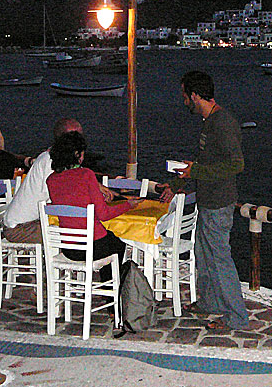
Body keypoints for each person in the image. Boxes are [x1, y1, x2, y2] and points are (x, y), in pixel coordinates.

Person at [158, 70, 249, 330]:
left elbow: (236, 164)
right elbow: (202, 162)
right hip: (207, 201)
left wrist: (195, 171)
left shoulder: (223, 123)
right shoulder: (209, 122)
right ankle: (210, 302)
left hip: (219, 204)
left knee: (220, 259)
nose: (184, 101)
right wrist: (178, 183)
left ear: (196, 96)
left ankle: (237, 317)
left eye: (186, 96)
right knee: (203, 253)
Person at [2, 118, 116, 244]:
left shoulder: (61, 161)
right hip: (21, 228)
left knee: (82, 231)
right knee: (77, 233)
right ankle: (74, 262)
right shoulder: (50, 161)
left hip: (34, 221)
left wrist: (97, 187)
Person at [47, 131, 141, 282]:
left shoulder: (51, 180)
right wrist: (128, 205)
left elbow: (73, 199)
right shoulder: (86, 174)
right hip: (91, 246)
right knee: (118, 244)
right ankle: (112, 292)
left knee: (110, 240)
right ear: (77, 154)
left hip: (69, 249)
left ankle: (109, 289)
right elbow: (104, 214)